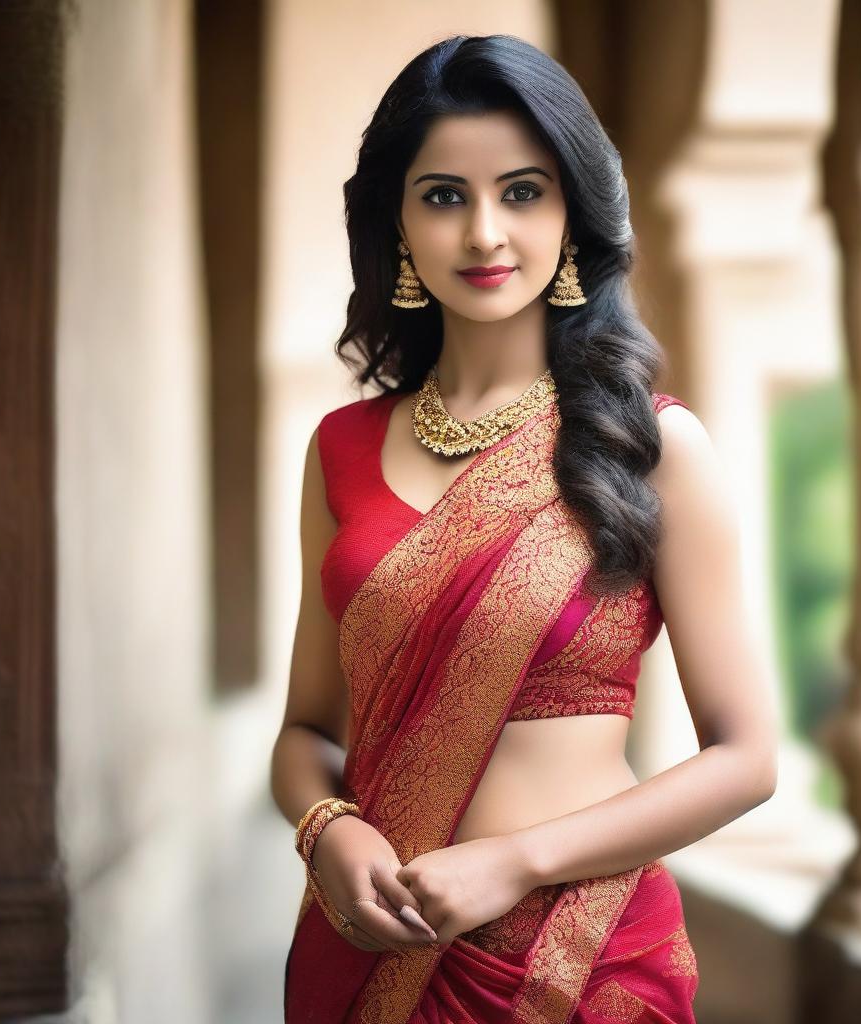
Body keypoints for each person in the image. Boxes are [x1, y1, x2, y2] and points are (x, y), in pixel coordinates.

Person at [271, 33, 778, 1024]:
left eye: (522, 191)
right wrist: (329, 828)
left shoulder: (650, 446)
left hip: (582, 963)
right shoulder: (338, 450)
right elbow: (303, 730)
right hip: (372, 955)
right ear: (399, 223)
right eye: (444, 195)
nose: (484, 233)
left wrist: (515, 861)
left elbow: (747, 755)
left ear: (571, 215)